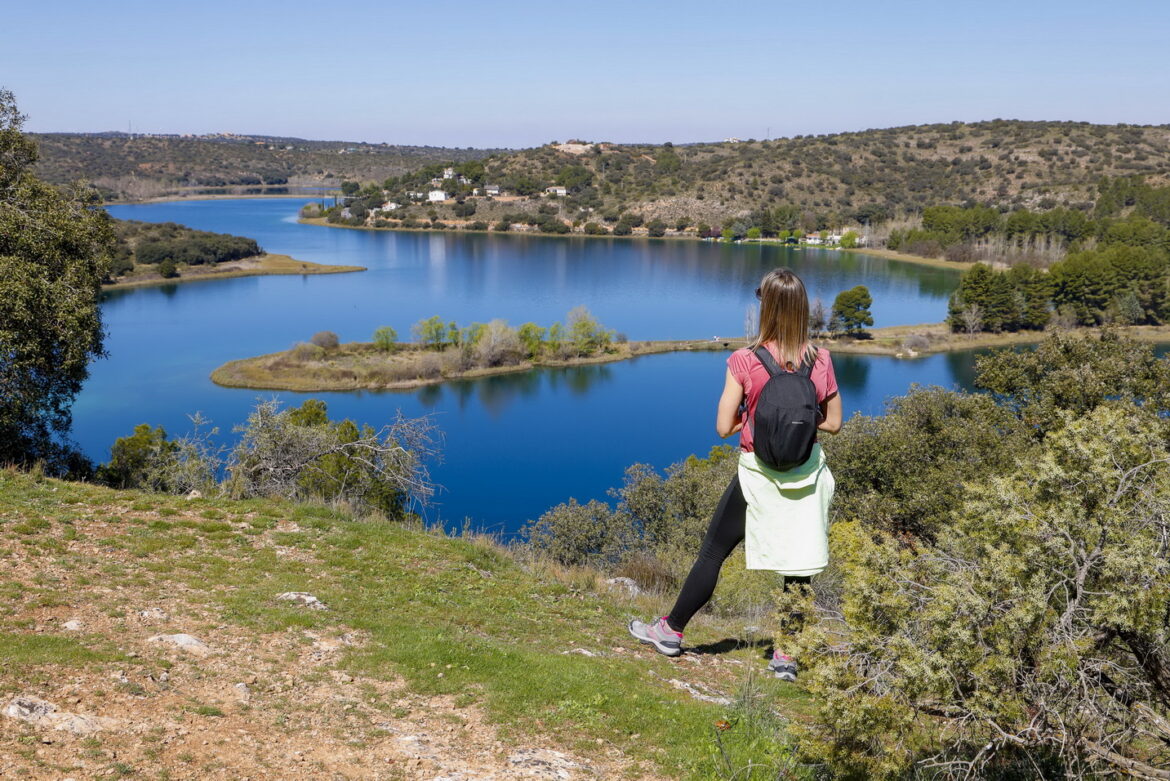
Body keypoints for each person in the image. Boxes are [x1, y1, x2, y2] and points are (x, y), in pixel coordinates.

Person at [628, 268, 842, 680]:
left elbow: (724, 427)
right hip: (805, 475)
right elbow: (833, 423)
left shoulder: (745, 360)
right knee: (800, 568)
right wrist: (800, 422)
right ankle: (785, 658)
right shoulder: (821, 359)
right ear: (801, 309)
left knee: (713, 553)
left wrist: (756, 415)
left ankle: (670, 631)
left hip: (757, 476)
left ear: (766, 308)